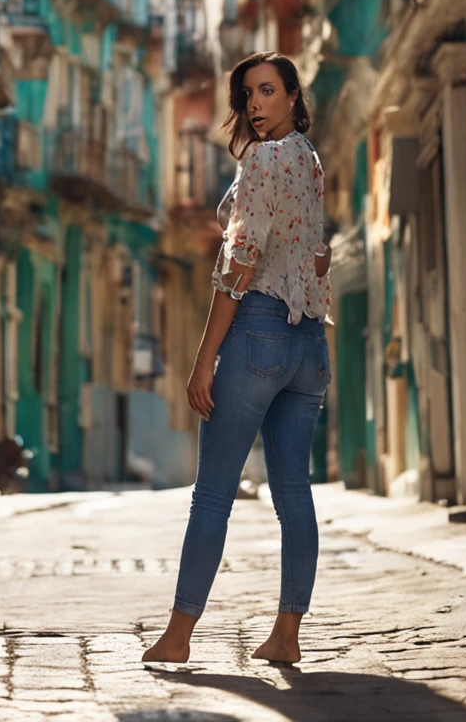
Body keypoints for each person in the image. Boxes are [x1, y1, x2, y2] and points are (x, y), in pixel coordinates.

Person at [143, 51, 333, 667]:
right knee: (294, 494)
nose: (255, 104)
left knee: (213, 496)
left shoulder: (263, 160)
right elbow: (317, 257)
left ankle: (177, 636)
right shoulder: (309, 159)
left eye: (268, 91)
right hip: (309, 344)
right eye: (247, 93)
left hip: (258, 334)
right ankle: (287, 633)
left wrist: (205, 361)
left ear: (291, 94)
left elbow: (238, 265)